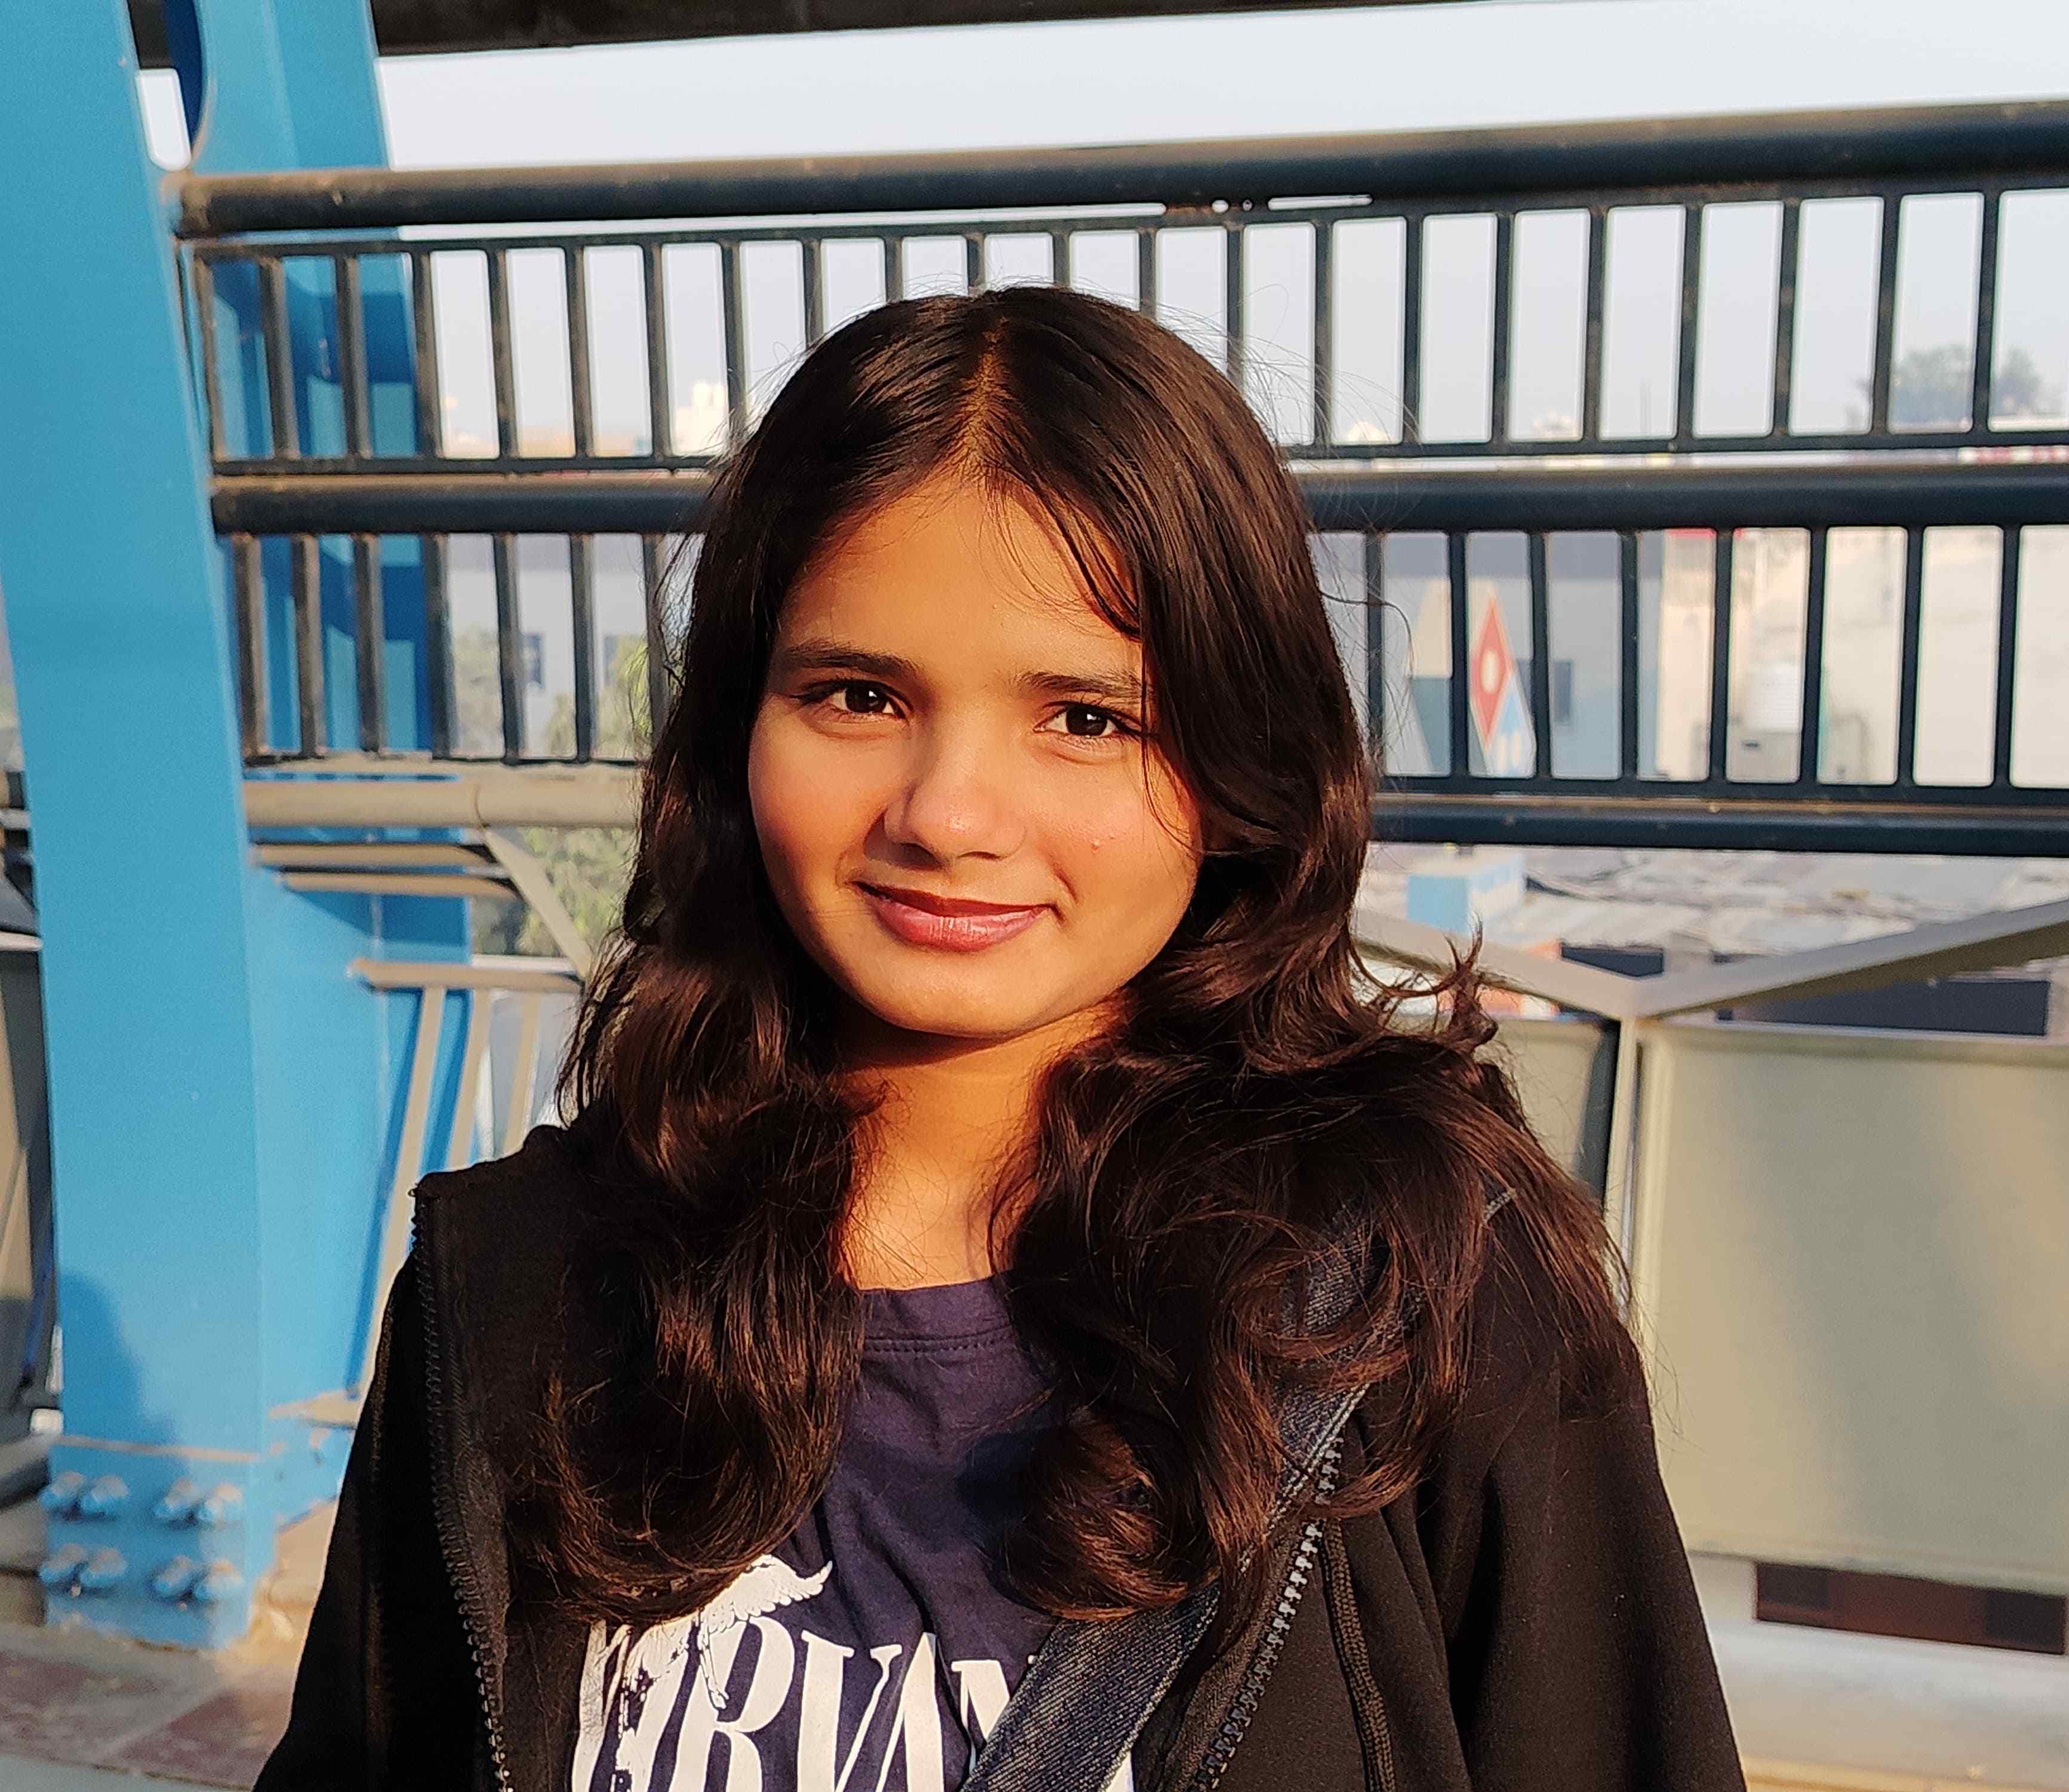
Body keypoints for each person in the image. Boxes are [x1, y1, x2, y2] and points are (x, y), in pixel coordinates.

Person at [256, 282, 1745, 1792]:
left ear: (1242, 759)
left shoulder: (1421, 1294)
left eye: (1086, 718)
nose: (947, 816)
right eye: (856, 695)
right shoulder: (514, 1288)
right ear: (736, 726)